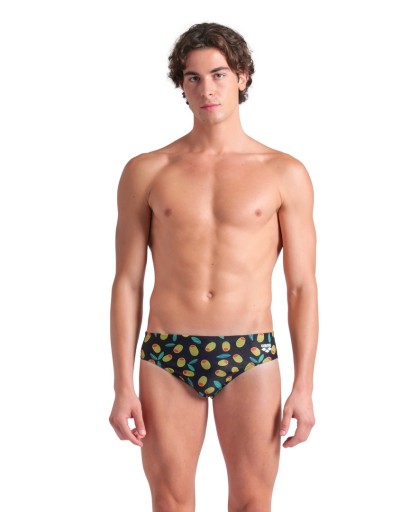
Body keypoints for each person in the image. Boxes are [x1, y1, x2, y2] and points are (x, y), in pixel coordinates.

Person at [109, 22, 318, 512]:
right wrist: (121, 384)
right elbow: (127, 282)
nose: (207, 89)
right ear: (181, 85)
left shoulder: (283, 172)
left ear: (242, 77)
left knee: (252, 503)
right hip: (167, 353)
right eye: (194, 78)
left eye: (219, 74)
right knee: (170, 503)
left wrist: (304, 387)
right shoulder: (147, 170)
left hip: (250, 353)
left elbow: (302, 287)